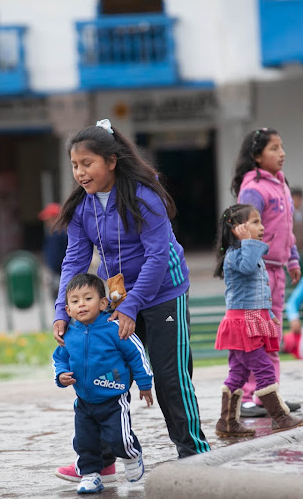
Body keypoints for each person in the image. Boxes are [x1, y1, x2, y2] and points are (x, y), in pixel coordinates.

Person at [52, 118, 211, 483]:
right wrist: (63, 308)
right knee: (101, 371)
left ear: (111, 160)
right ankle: (102, 461)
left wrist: (131, 304)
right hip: (122, 298)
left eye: (86, 163)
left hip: (164, 292)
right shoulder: (82, 208)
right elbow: (75, 260)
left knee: (170, 378)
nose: (80, 173)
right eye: (75, 165)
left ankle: (194, 455)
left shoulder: (144, 195)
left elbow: (157, 257)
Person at [213, 204, 303, 437]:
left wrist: (268, 316)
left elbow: (258, 292)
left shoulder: (251, 252)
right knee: (264, 368)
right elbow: (247, 269)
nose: (262, 227)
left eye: (260, 222)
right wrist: (247, 241)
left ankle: (227, 423)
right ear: (238, 228)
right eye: (255, 222)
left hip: (251, 320)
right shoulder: (236, 255)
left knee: (238, 373)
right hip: (241, 324)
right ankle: (280, 418)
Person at [53, 273, 153, 494]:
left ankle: (131, 456)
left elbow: (137, 355)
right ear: (67, 309)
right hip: (84, 401)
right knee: (84, 441)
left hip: (113, 398)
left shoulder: (114, 328)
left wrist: (145, 384)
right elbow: (59, 358)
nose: (82, 305)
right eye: (75, 301)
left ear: (103, 303)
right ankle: (90, 475)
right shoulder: (69, 335)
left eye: (88, 299)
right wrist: (61, 376)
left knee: (119, 438)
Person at [231, 127, 302, 418]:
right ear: (257, 156)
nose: (282, 153)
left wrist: (293, 259)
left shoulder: (280, 184)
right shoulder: (253, 189)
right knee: (254, 335)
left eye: (282, 147)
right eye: (274, 148)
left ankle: (268, 393)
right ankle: (248, 397)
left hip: (277, 272)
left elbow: (286, 230)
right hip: (257, 274)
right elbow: (241, 232)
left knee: (271, 335)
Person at [39, 202, 69, 300]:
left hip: (60, 273)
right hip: (60, 272)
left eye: (48, 219)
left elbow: (55, 257)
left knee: (60, 300)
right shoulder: (61, 231)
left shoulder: (57, 233)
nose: (46, 222)